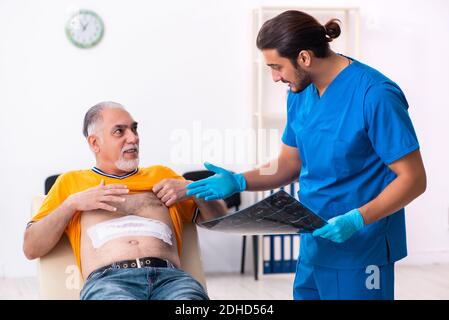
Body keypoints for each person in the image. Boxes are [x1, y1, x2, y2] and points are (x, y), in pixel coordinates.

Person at [186, 10, 426, 300]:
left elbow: (413, 179)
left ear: (304, 57)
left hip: (360, 247)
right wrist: (239, 181)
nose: (275, 77)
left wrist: (357, 219)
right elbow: (290, 164)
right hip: (314, 241)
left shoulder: (375, 95)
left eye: (277, 67)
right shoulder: (299, 93)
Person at [23, 101, 227, 300]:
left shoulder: (163, 175)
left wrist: (194, 189)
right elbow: (31, 248)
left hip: (172, 280)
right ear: (95, 143)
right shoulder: (71, 183)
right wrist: (71, 204)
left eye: (134, 129)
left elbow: (221, 222)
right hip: (109, 282)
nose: (133, 138)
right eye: (119, 131)